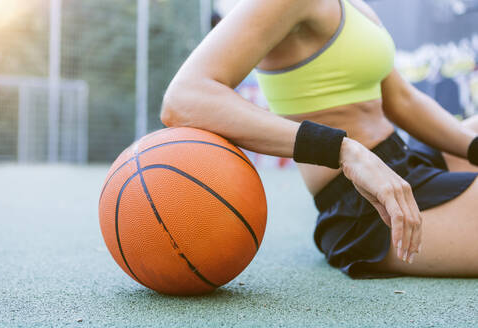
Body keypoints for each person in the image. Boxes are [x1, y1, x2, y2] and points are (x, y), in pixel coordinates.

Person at [160, 0, 478, 278]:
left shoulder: (356, 6)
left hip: (404, 163)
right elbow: (183, 98)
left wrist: (471, 147)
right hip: (364, 207)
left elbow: (402, 100)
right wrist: (343, 149)